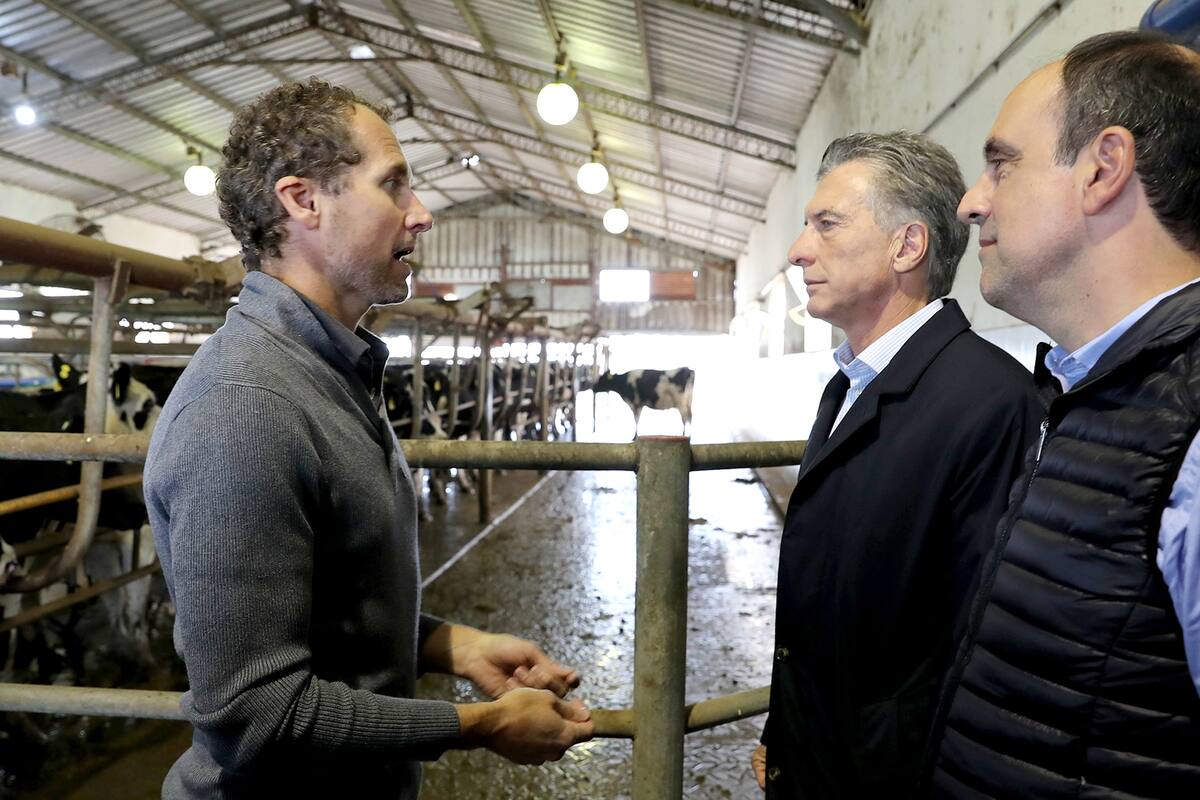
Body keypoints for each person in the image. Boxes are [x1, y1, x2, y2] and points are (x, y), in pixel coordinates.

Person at [144, 79, 593, 799]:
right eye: (394, 186)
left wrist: (453, 645)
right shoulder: (247, 406)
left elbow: (335, 608)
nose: (421, 214)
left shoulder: (331, 369)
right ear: (303, 201)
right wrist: (476, 725)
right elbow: (251, 715)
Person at [929, 31, 1200, 799]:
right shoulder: (1084, 391)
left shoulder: (1189, 430)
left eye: (1001, 164)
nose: (971, 200)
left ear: (1103, 169)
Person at [751, 132, 1044, 797]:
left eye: (827, 225)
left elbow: (979, 646)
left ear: (907, 246)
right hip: (824, 759)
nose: (799, 252)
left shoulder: (989, 402)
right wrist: (786, 729)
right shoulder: (850, 385)